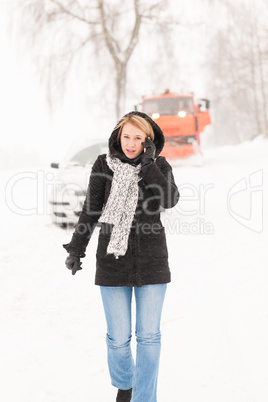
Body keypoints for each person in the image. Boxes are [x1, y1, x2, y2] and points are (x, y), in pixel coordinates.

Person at [63, 111, 179, 402]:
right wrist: (77, 247)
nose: (130, 143)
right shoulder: (103, 165)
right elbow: (91, 208)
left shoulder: (159, 165)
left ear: (148, 141)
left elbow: (169, 199)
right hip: (113, 260)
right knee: (118, 339)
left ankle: (143, 398)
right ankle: (125, 383)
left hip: (152, 261)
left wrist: (149, 166)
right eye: (126, 136)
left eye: (138, 138)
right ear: (118, 136)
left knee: (149, 337)